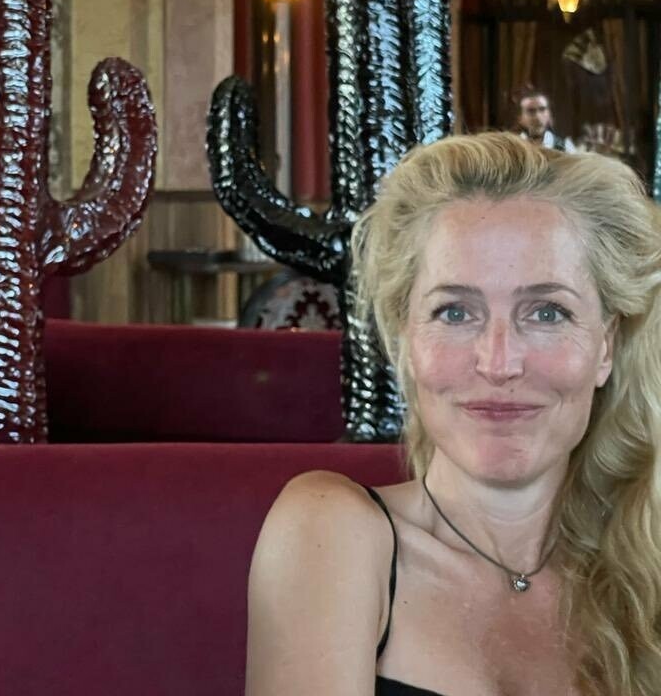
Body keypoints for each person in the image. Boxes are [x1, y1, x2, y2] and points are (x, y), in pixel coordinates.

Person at [244, 132, 661, 696]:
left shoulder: (645, 569)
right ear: (407, 340)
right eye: (456, 312)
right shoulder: (332, 530)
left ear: (605, 347)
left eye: (546, 312)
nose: (499, 363)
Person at [516, 88, 576, 153]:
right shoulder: (514, 147)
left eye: (542, 109)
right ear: (520, 118)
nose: (537, 117)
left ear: (549, 114)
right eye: (531, 111)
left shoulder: (565, 147)